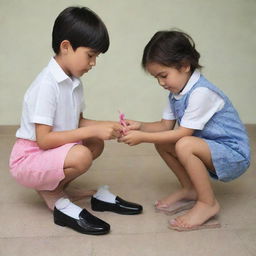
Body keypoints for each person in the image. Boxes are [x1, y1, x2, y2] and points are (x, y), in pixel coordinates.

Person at [9, 6, 142, 236]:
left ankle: (57, 188)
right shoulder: (47, 85)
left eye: (96, 57)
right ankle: (51, 192)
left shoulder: (74, 82)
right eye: (90, 56)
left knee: (95, 144)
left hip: (51, 149)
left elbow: (76, 122)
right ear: (66, 47)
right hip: (28, 158)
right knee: (81, 155)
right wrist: (92, 131)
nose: (93, 63)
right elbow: (43, 140)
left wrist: (107, 126)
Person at [119, 30, 250, 231]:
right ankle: (190, 189)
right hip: (210, 147)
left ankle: (208, 203)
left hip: (233, 154)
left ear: (185, 66)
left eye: (164, 75)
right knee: (163, 141)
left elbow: (182, 134)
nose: (161, 83)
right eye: (156, 78)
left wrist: (142, 137)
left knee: (185, 144)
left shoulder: (201, 92)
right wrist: (140, 126)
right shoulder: (177, 92)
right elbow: (164, 127)